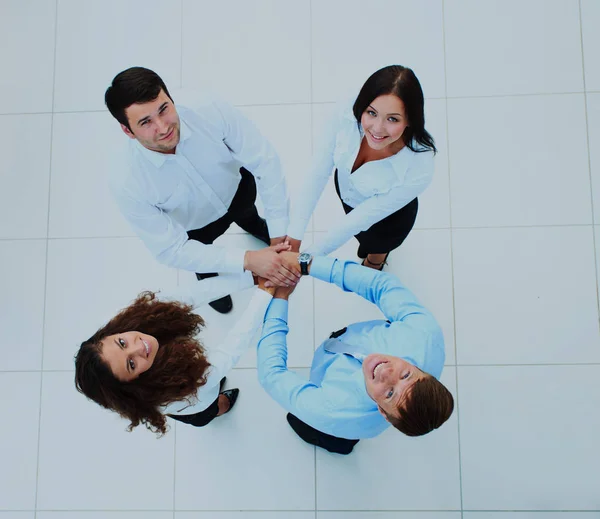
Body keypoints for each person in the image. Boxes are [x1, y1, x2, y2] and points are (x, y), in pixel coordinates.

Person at [105, 67, 299, 314]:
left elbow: (264, 161)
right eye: (146, 122)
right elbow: (170, 249)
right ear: (127, 130)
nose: (163, 127)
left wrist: (278, 236)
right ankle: (210, 279)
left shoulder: (206, 107)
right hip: (195, 226)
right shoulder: (127, 180)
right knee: (203, 254)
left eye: (164, 109)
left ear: (170, 98)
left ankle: (256, 226)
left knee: (249, 215)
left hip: (237, 190)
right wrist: (247, 260)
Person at [257, 252, 454, 455]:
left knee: (330, 431)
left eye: (389, 393)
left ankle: (337, 442)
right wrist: (307, 264)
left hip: (342, 421)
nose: (385, 372)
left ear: (383, 413)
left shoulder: (333, 411)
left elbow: (271, 374)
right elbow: (381, 286)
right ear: (423, 372)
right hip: (345, 342)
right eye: (406, 375)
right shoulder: (424, 335)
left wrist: (280, 298)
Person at [74, 251, 283, 435]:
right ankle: (219, 406)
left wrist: (251, 277)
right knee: (207, 409)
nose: (139, 347)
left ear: (111, 332)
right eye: (131, 364)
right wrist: (264, 293)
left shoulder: (122, 319)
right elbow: (231, 348)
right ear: (135, 382)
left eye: (122, 342)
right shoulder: (181, 392)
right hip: (195, 400)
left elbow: (190, 296)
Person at [286, 65, 437, 271]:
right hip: (350, 197)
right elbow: (317, 172)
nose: (377, 128)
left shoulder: (419, 166)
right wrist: (293, 238)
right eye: (371, 113)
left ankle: (376, 261)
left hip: (388, 218)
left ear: (410, 119)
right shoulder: (347, 111)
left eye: (392, 119)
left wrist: (304, 260)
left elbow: (361, 218)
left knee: (378, 244)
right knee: (362, 237)